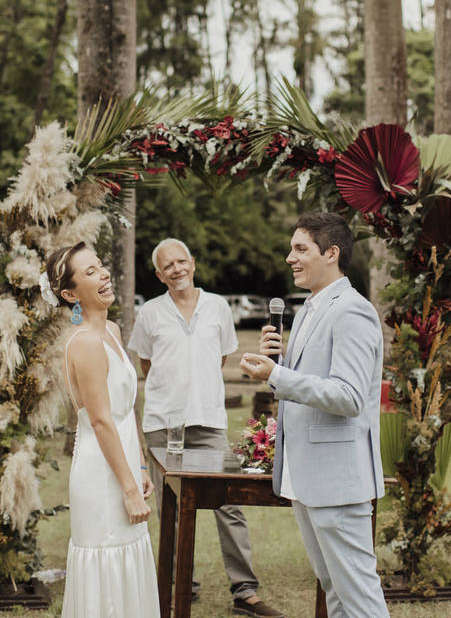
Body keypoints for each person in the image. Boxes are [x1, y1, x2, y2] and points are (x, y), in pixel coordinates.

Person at [240, 212, 389, 618]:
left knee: (359, 597)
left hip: (338, 479)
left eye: (300, 248)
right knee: (335, 592)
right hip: (307, 477)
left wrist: (279, 375)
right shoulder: (308, 307)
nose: (290, 257)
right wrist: (276, 365)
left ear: (332, 253)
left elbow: (350, 396)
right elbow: (310, 379)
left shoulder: (352, 311)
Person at [129, 238, 282, 618]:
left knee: (229, 504)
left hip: (210, 420)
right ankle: (182, 584)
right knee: (174, 508)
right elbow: (147, 365)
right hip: (164, 424)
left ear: (193, 263)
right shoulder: (149, 312)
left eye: (182, 261)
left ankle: (245, 591)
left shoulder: (217, 307)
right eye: (169, 265)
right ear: (158, 274)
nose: (177, 269)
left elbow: (222, 357)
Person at [45, 242, 159, 618]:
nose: (104, 273)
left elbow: (126, 411)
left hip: (125, 463)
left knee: (130, 560)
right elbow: (100, 420)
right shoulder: (85, 343)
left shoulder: (110, 329)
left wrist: (140, 468)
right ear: (70, 294)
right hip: (101, 474)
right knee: (107, 569)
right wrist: (128, 490)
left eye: (101, 266)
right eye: (90, 272)